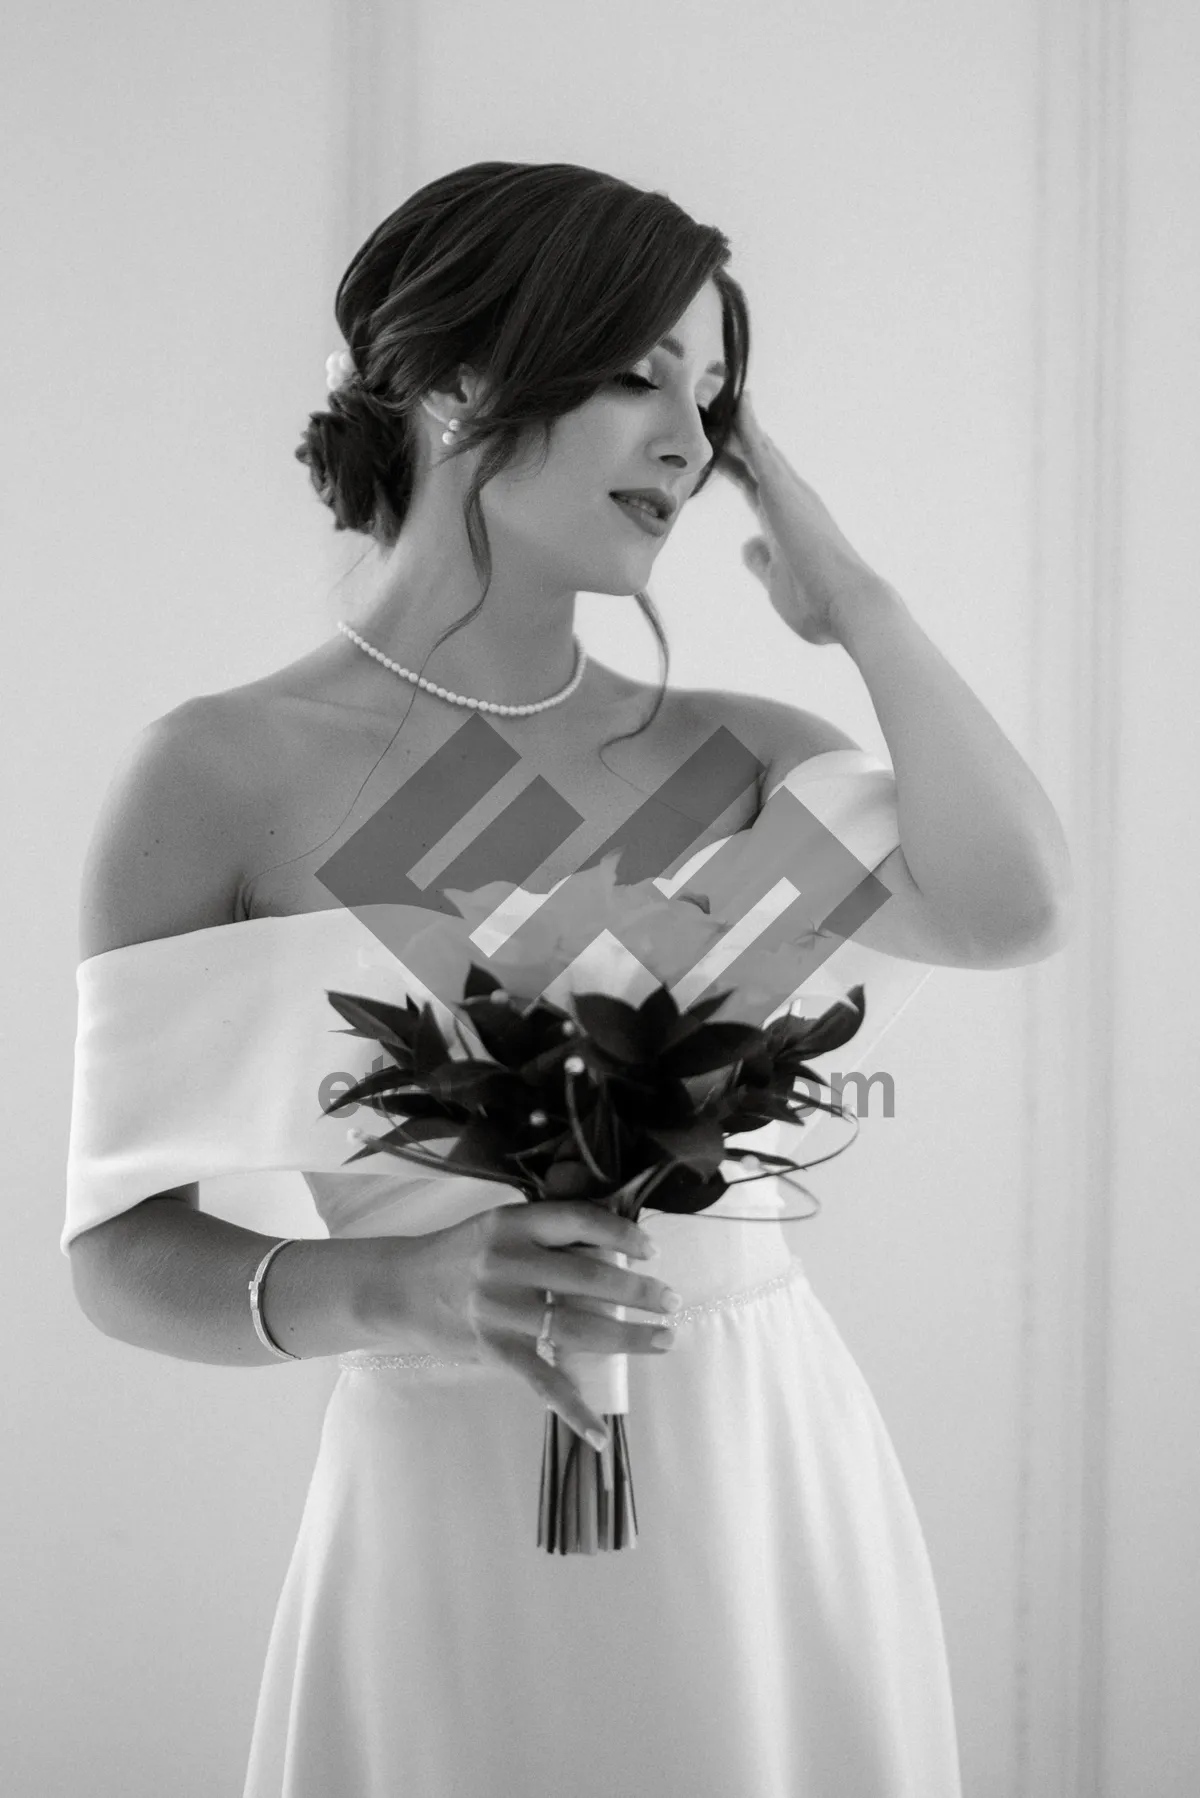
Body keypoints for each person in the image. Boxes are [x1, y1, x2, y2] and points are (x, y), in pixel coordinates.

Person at [63, 160, 1072, 1797]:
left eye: (720, 399)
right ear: (460, 379)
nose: (691, 442)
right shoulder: (221, 773)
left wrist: (854, 602)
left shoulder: (737, 758)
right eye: (637, 374)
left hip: (763, 1478)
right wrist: (403, 1287)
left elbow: (1016, 903)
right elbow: (119, 1249)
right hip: (441, 1497)